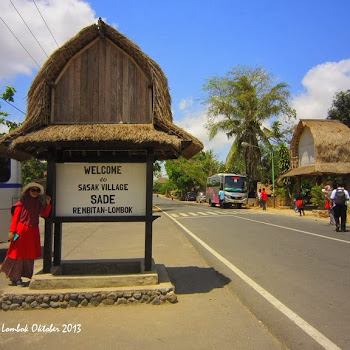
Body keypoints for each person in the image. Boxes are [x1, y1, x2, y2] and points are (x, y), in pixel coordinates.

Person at [0, 182, 51, 286]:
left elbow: (44, 214)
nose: (35, 192)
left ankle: (23, 276)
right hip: (21, 232)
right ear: (28, 191)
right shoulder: (21, 203)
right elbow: (15, 219)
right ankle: (15, 277)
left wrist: (48, 204)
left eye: (37, 191)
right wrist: (12, 232)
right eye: (33, 190)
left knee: (29, 255)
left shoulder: (37, 203)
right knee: (18, 255)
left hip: (33, 232)